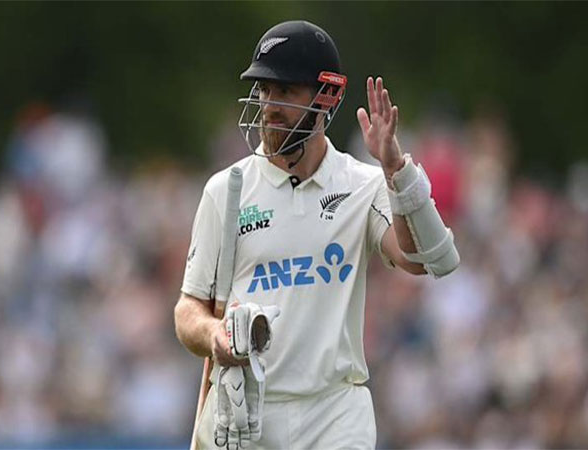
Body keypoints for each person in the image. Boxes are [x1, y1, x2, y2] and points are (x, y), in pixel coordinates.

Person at [174, 20, 459, 449]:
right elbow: (187, 311)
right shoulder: (226, 190)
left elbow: (422, 259)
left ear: (325, 96)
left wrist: (396, 172)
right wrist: (216, 336)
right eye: (264, 91)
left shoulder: (361, 184)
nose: (270, 105)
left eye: (285, 92)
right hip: (249, 410)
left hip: (335, 413)